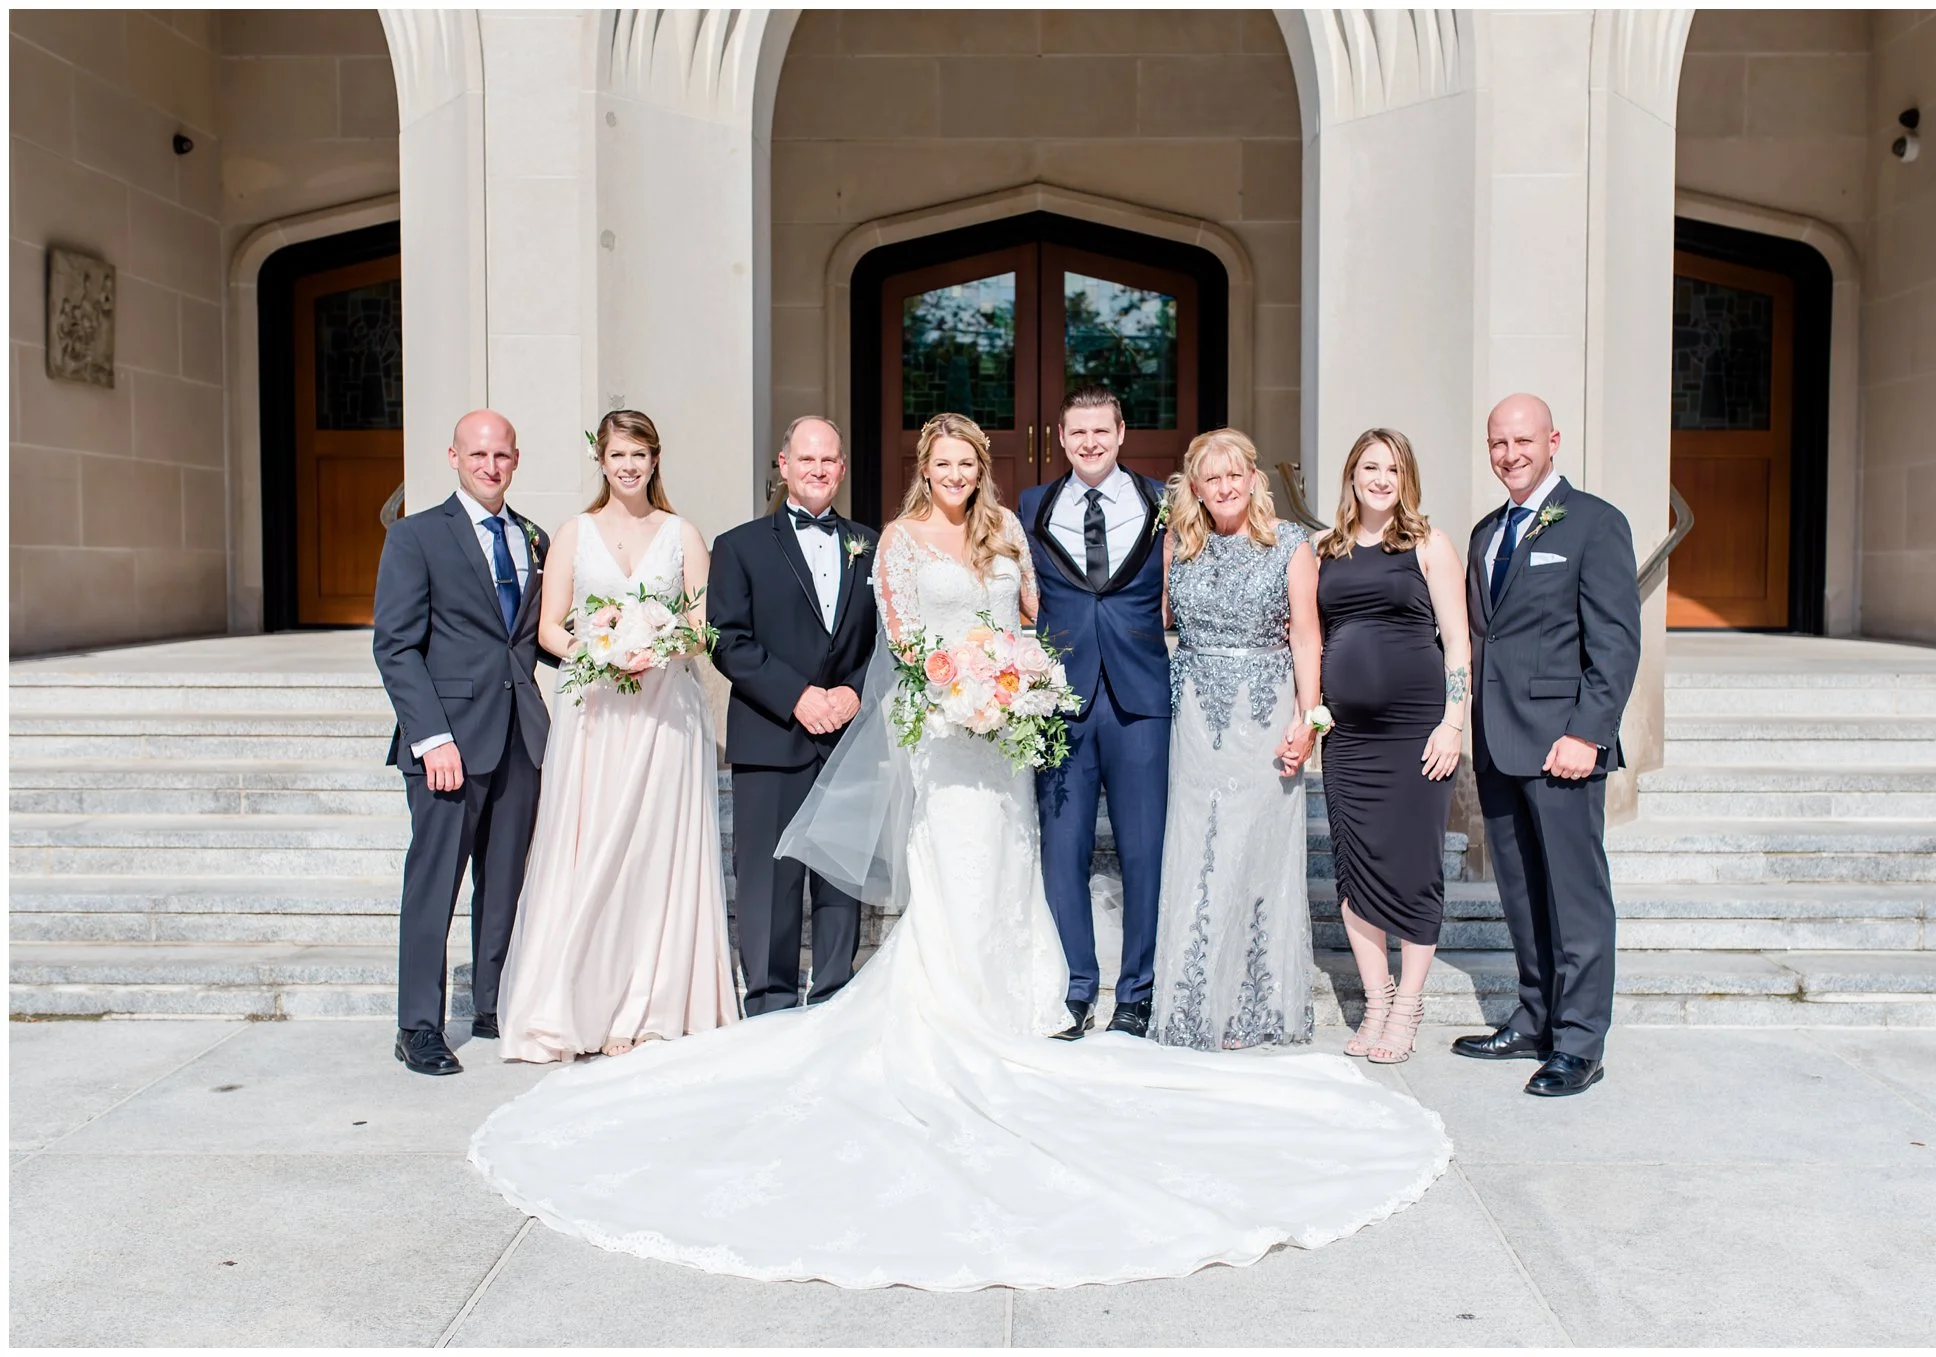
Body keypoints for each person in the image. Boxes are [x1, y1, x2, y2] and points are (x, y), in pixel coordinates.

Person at [467, 411, 1451, 1291]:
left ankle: (1028, 998)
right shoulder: (896, 540)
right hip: (942, 730)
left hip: (1008, 729)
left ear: (982, 468)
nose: (954, 473)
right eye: (940, 462)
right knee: (952, 872)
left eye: (965, 462)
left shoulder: (1012, 527)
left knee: (1012, 868)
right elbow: (901, 639)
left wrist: (1011, 680)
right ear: (922, 469)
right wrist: (958, 687)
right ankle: (948, 1006)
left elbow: (1027, 616)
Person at [494, 410, 739, 1062]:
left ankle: (651, 1004)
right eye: (618, 455)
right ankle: (582, 1002)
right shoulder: (574, 533)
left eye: (639, 454)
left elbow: (702, 626)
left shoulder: (683, 534)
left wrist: (657, 646)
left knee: (654, 852)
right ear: (600, 461)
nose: (628, 466)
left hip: (665, 714)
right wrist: (599, 651)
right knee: (593, 848)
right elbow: (549, 627)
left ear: (655, 460)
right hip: (597, 715)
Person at [1450, 394, 1640, 1098]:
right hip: (1498, 744)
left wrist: (1588, 732)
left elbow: (1615, 643)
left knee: (1575, 897)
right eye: (1498, 443)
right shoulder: (1485, 533)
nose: (1510, 455)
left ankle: (1580, 1041)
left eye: (1523, 440)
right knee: (1522, 893)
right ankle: (1535, 1018)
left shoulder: (1595, 523)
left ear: (1553, 441)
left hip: (1565, 745)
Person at [372, 410, 552, 1077]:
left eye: (501, 454)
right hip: (447, 744)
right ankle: (417, 1025)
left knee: (503, 884)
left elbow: (531, 638)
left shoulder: (533, 537)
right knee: (434, 885)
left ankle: (492, 1004)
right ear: (454, 457)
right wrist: (432, 738)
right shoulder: (416, 536)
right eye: (477, 454)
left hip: (519, 736)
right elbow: (395, 646)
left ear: (516, 459)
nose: (490, 465)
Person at [1147, 429, 1321, 1051]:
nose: (1224, 487)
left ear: (1253, 479)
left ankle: (1250, 1008)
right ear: (1194, 488)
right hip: (1196, 714)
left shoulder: (1291, 545)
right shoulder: (1178, 543)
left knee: (1255, 847)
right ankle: (1194, 1003)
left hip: (1265, 712)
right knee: (1198, 844)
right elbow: (1160, 619)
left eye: (1234, 475)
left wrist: (1309, 718)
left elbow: (1307, 635)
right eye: (1210, 478)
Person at [707, 415, 881, 1014]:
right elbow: (728, 640)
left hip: (848, 738)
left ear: (842, 468)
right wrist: (796, 695)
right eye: (806, 459)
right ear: (783, 466)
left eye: (828, 460)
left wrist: (855, 691)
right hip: (772, 733)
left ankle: (833, 997)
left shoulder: (872, 546)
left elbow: (889, 640)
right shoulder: (739, 546)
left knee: (840, 880)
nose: (818, 469)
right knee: (769, 881)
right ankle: (770, 1002)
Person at [1017, 385, 1171, 1039]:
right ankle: (1075, 989)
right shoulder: (1032, 505)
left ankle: (1137, 993)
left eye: (1101, 431)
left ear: (1121, 432)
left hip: (1142, 699)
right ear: (1060, 437)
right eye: (1077, 432)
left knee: (1144, 852)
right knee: (1063, 851)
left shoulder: (1163, 502)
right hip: (1061, 699)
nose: (1090, 442)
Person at [1314, 429, 1470, 1066]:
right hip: (1348, 740)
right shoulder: (1325, 549)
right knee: (1354, 869)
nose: (1381, 479)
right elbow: (1312, 637)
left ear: (1407, 480)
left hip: (1416, 733)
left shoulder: (1429, 544)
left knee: (1414, 866)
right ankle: (1375, 1003)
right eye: (1370, 467)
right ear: (1351, 475)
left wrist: (1453, 722)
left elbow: (1457, 642)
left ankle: (1407, 1006)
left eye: (1393, 469)